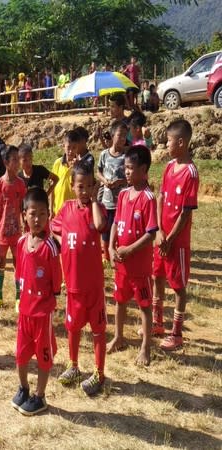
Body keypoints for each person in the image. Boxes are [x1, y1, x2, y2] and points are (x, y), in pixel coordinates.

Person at [51, 162, 108, 396]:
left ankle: (99, 372)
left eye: (88, 186)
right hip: (73, 283)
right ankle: (73, 365)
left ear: (94, 187)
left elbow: (99, 225)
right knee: (73, 327)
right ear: (73, 187)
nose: (84, 191)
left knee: (98, 329)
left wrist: (94, 200)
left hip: (93, 284)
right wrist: (61, 239)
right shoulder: (66, 209)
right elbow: (54, 227)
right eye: (80, 186)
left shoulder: (99, 208)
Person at [11, 187, 61, 416]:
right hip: (25, 311)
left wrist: (48, 305)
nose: (37, 218)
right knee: (20, 353)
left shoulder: (51, 247)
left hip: (42, 313)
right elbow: (20, 273)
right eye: (33, 213)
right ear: (24, 215)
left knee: (43, 355)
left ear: (48, 215)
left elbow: (56, 282)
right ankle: (23, 388)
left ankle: (40, 396)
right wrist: (19, 299)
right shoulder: (22, 243)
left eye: (42, 213)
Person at [106, 145, 157, 366]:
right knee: (119, 301)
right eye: (125, 168)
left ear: (143, 169)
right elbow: (116, 222)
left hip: (139, 267)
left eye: (130, 168)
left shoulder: (148, 198)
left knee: (144, 306)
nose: (126, 172)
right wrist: (110, 247)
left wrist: (130, 249)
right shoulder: (124, 194)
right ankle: (119, 336)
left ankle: (146, 346)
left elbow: (151, 234)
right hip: (121, 265)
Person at [154, 120, 199, 351]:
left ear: (180, 142)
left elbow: (185, 213)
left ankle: (176, 334)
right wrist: (159, 231)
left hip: (177, 242)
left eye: (169, 141)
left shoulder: (191, 173)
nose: (166, 144)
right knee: (158, 277)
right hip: (163, 238)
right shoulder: (169, 166)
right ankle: (157, 322)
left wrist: (170, 238)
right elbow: (160, 197)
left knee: (179, 286)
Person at [0, 145, 26, 313]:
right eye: (14, 160)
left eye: (18, 159)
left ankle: (19, 298)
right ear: (6, 163)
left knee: (18, 263)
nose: (18, 163)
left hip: (17, 232)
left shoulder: (20, 184)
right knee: (1, 262)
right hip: (3, 232)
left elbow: (23, 206)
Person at [97, 120, 128, 263]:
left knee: (119, 228)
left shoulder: (126, 157)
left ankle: (117, 251)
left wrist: (120, 182)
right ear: (113, 134)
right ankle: (105, 256)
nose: (122, 139)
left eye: (124, 136)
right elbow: (98, 172)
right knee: (105, 228)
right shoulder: (104, 154)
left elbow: (130, 177)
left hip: (121, 202)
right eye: (119, 135)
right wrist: (105, 181)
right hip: (106, 201)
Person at [50, 130, 80, 217]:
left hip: (74, 211)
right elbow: (52, 187)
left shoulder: (80, 165)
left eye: (74, 148)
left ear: (77, 148)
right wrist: (51, 209)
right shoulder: (57, 163)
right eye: (68, 147)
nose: (70, 151)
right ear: (64, 146)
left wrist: (77, 167)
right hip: (58, 210)